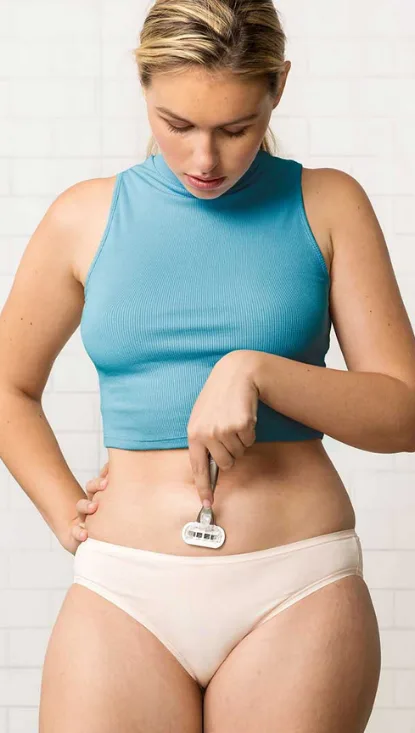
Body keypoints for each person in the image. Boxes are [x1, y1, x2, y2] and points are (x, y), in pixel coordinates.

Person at [2, 0, 415, 730]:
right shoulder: (85, 216)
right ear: (143, 84)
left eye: (235, 129)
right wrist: (64, 509)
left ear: (276, 88)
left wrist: (259, 370)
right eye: (177, 125)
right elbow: (8, 383)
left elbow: (403, 411)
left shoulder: (326, 204)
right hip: (122, 591)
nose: (204, 160)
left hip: (295, 588)